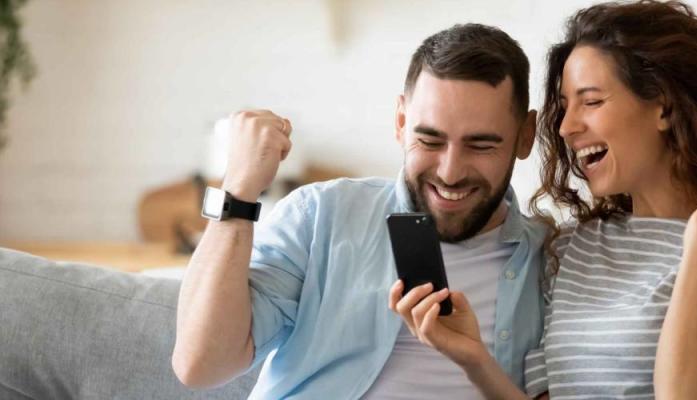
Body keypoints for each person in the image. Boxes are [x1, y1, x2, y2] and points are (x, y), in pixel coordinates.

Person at [389, 2, 697, 399]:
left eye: (591, 101)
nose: (564, 127)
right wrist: (474, 359)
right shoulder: (572, 249)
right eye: (564, 106)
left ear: (664, 108)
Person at [172, 24, 547, 399]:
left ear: (525, 136)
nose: (450, 172)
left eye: (481, 145)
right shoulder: (320, 216)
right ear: (401, 122)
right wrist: (238, 189)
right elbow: (201, 364)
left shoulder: (555, 261)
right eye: (429, 139)